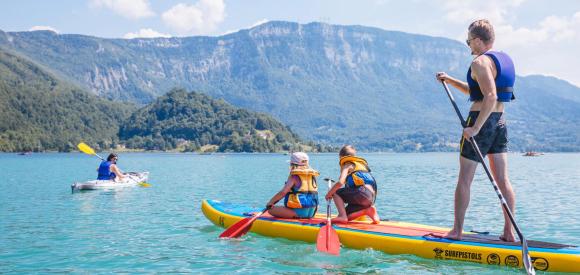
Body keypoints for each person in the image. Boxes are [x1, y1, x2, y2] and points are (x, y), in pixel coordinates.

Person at [435, 19, 517, 241]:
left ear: (479, 41)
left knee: (464, 179)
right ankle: (509, 233)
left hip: (481, 121)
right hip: (500, 122)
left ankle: (456, 231)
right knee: (503, 180)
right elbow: (480, 92)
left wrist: (475, 128)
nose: (468, 45)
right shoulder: (503, 59)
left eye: (469, 41)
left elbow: (489, 96)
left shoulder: (480, 63)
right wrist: (449, 80)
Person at [325, 145, 380, 224]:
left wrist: (329, 194)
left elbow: (340, 183)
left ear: (341, 157)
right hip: (370, 197)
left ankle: (342, 216)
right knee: (348, 216)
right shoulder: (361, 166)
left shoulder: (347, 165)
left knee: (336, 192)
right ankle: (368, 211)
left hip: (361, 192)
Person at [266, 152, 320, 219]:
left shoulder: (294, 176)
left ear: (292, 164)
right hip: (312, 212)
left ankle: (296, 217)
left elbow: (283, 192)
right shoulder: (312, 176)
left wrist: (270, 202)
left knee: (270, 210)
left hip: (298, 213)